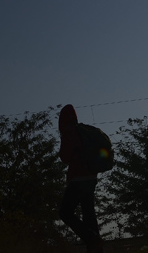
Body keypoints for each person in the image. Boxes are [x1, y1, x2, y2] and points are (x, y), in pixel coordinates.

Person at [58, 104, 103, 253]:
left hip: (78, 178)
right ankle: (95, 248)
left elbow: (65, 157)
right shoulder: (83, 130)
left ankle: (91, 238)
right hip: (91, 176)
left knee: (65, 212)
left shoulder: (68, 132)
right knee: (88, 213)